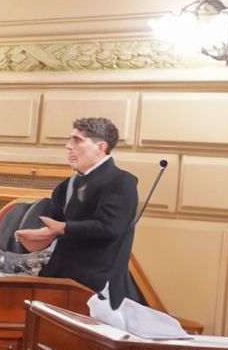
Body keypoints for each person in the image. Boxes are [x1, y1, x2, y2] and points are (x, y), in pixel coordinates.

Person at [15, 117, 140, 305]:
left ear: (101, 147)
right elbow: (54, 228)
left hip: (94, 288)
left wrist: (63, 228)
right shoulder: (68, 184)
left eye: (77, 140)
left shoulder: (122, 182)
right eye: (70, 139)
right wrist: (39, 237)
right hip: (58, 280)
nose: (68, 146)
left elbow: (109, 228)